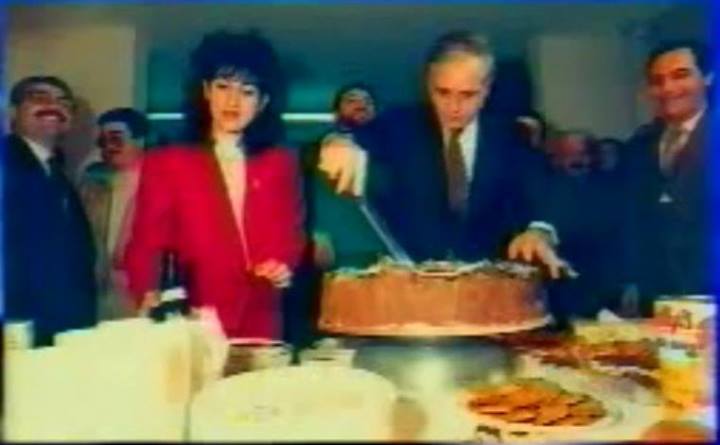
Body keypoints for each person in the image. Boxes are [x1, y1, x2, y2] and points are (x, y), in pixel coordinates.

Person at [318, 31, 566, 277]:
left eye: (468, 95)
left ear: (487, 89)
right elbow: (351, 138)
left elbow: (541, 193)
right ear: (428, 84)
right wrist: (337, 142)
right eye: (443, 92)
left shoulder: (511, 136)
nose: (454, 107)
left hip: (488, 286)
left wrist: (539, 230)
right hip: (412, 284)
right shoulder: (399, 125)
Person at [123, 30, 305, 339]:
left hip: (262, 316)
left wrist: (282, 264)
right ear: (206, 91)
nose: (233, 101)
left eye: (247, 91)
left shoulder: (282, 162)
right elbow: (146, 242)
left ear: (262, 102)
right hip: (195, 317)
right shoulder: (167, 162)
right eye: (223, 87)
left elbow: (291, 233)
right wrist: (148, 292)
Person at [3, 75, 97, 346]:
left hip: (63, 327)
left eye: (63, 102)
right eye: (39, 98)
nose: (53, 106)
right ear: (13, 112)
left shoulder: (57, 171)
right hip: (21, 327)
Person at [622, 39, 715, 314]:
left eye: (680, 75)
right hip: (657, 301)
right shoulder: (640, 145)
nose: (668, 89)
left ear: (708, 77)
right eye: (657, 81)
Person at [79, 107, 149, 320]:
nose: (108, 147)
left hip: (143, 294)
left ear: (140, 140)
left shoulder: (163, 182)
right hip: (99, 291)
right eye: (103, 141)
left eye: (116, 139)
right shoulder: (92, 182)